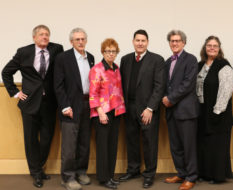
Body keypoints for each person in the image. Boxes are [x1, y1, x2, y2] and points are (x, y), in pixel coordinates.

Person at [1, 25, 63, 188]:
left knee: (47, 138)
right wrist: (15, 92)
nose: (45, 37)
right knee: (30, 140)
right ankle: (36, 172)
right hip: (29, 103)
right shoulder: (23, 52)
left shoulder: (57, 49)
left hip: (50, 103)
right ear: (34, 37)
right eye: (41, 35)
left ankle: (39, 167)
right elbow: (6, 72)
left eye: (47, 34)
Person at [119, 29, 165, 188]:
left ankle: (149, 174)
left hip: (147, 109)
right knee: (131, 140)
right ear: (133, 42)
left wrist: (150, 108)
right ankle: (133, 169)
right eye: (137, 40)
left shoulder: (157, 60)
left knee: (149, 142)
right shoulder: (125, 59)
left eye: (143, 41)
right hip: (129, 107)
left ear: (147, 42)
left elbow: (159, 87)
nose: (140, 43)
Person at [54, 28, 94, 190]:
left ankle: (81, 171)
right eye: (77, 39)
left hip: (87, 105)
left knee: (84, 143)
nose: (80, 42)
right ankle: (68, 177)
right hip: (70, 107)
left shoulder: (90, 57)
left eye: (83, 39)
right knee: (69, 146)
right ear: (71, 41)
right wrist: (65, 106)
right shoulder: (62, 58)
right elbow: (58, 85)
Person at [162, 30, 199, 190]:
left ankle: (191, 176)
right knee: (175, 145)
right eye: (172, 41)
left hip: (186, 111)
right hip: (171, 111)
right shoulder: (167, 61)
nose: (174, 43)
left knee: (188, 146)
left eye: (177, 41)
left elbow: (188, 83)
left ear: (184, 42)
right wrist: (164, 97)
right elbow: (164, 84)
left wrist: (170, 99)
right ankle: (181, 173)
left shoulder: (191, 59)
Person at [196, 36, 233, 184]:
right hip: (202, 112)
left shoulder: (223, 65)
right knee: (204, 144)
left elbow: (226, 90)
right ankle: (205, 173)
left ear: (219, 48)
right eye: (209, 45)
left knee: (217, 145)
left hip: (219, 113)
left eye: (215, 46)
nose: (212, 48)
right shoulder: (200, 65)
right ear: (205, 48)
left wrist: (218, 110)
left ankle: (217, 176)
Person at [89, 38, 126, 189]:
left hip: (116, 112)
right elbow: (93, 93)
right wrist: (100, 112)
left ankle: (110, 175)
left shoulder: (116, 68)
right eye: (107, 51)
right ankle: (104, 178)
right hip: (102, 113)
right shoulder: (97, 69)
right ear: (102, 52)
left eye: (113, 51)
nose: (111, 54)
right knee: (103, 147)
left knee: (112, 145)